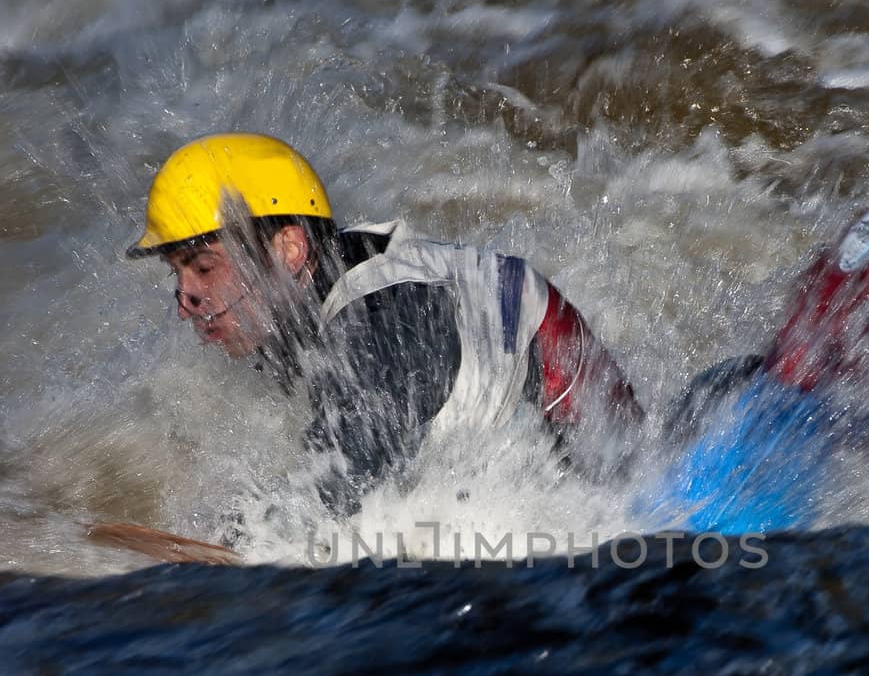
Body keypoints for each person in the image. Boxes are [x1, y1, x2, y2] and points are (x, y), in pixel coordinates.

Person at [127, 132, 643, 517]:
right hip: (588, 444)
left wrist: (246, 538)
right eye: (177, 274)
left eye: (204, 267)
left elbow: (340, 490)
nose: (185, 301)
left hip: (596, 491)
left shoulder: (379, 320)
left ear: (288, 250)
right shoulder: (337, 279)